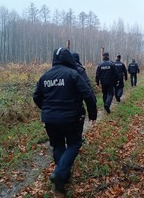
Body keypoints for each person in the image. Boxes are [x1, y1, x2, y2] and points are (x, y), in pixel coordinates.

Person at [33, 47, 97, 194]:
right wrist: (92, 114)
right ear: (68, 58)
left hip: (50, 119)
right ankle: (60, 173)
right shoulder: (73, 74)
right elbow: (87, 94)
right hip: (71, 118)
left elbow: (36, 96)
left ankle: (62, 177)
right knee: (74, 143)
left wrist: (47, 109)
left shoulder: (45, 76)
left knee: (58, 145)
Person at [72, 52, 96, 137]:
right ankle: (77, 140)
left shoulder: (56, 71)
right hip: (75, 105)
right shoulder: (80, 70)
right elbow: (87, 89)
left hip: (54, 110)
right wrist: (93, 112)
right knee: (75, 138)